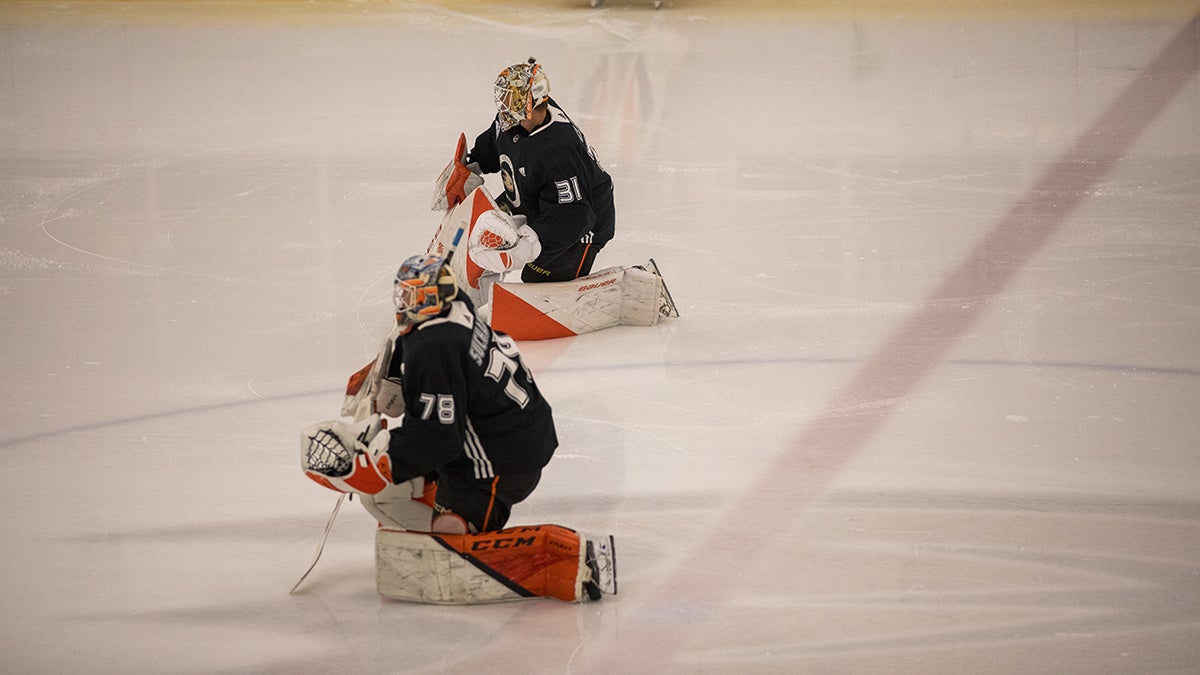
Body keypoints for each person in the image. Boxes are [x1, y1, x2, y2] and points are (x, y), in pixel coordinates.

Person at [300, 254, 617, 603]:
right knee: (385, 495)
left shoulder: (433, 347)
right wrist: (390, 367)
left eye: (413, 296)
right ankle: (439, 507)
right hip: (516, 434)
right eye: (403, 294)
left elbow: (438, 437)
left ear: (433, 297)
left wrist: (385, 462)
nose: (404, 304)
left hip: (497, 463)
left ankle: (568, 558)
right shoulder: (457, 306)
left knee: (447, 536)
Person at [430, 58, 678, 340]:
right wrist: (470, 166)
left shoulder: (558, 148)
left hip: (581, 226)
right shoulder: (514, 119)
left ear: (530, 101)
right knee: (480, 228)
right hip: (533, 203)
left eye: (511, 99)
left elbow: (577, 215)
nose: (503, 105)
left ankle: (629, 288)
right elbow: (494, 144)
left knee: (536, 280)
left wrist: (531, 243)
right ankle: (462, 294)